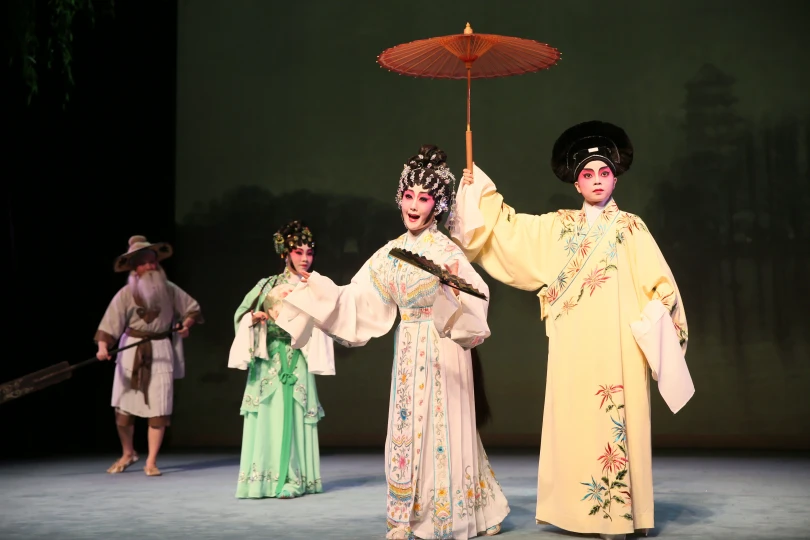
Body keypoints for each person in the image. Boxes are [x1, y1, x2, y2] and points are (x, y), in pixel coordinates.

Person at [450, 121, 693, 540]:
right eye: (587, 174)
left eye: (603, 173)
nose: (596, 181)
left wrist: (659, 307)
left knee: (612, 424)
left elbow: (662, 283)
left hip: (618, 347)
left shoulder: (631, 228)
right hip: (573, 346)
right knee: (575, 423)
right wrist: (476, 190)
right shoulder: (557, 227)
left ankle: (618, 516)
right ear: (576, 183)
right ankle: (576, 513)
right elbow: (510, 232)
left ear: (615, 177)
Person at [275, 146, 509, 539]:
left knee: (446, 429)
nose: (414, 205)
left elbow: (476, 298)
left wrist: (451, 292)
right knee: (406, 429)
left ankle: (458, 513)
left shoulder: (446, 251)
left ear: (437, 206)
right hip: (409, 349)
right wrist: (309, 291)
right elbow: (354, 299)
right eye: (409, 195)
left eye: (424, 197)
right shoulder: (389, 255)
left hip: (445, 346)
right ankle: (406, 517)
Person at [228, 220, 335, 499]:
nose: (305, 258)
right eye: (299, 252)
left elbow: (328, 320)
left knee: (295, 414)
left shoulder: (316, 286)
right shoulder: (266, 286)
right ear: (285, 254)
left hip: (298, 356)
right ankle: (261, 480)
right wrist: (254, 318)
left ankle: (294, 479)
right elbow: (240, 315)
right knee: (268, 416)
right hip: (269, 358)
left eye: (309, 253)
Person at [95, 235, 203, 477]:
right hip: (131, 349)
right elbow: (110, 322)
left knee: (159, 406)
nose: (151, 266)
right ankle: (128, 452)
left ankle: (151, 460)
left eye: (153, 261)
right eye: (144, 262)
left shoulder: (170, 290)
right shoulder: (125, 294)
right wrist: (103, 346)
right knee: (124, 407)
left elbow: (192, 309)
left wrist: (185, 325)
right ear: (134, 267)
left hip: (161, 349)